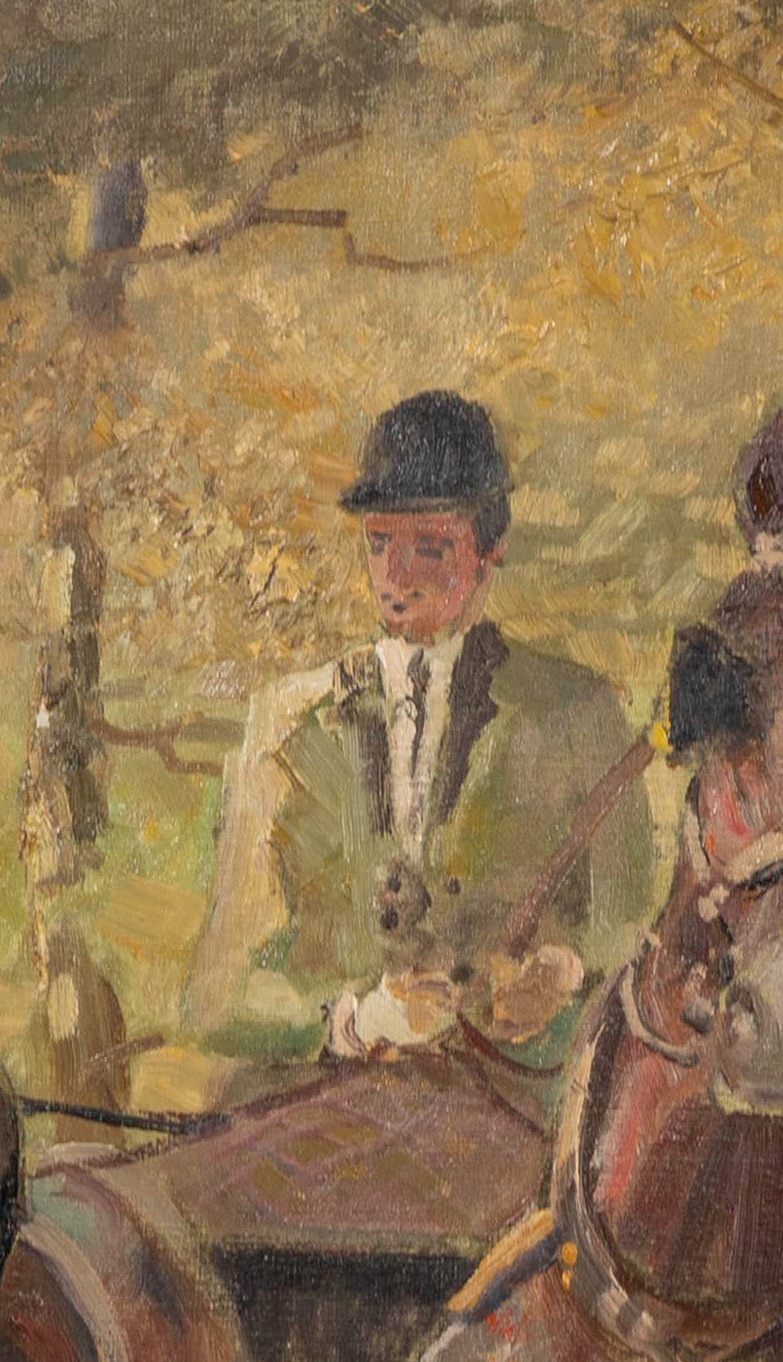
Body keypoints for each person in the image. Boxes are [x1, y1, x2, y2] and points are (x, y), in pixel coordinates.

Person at [181, 390, 654, 1075]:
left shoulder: (578, 714)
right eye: (378, 544)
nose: (395, 578)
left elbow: (634, 939)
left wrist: (566, 973)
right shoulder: (286, 724)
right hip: (321, 1109)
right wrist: (353, 1018)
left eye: (430, 549)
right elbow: (216, 997)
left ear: (491, 549)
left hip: (509, 1103)